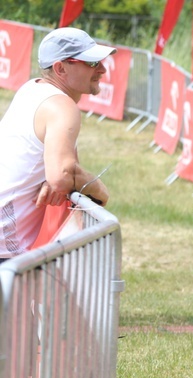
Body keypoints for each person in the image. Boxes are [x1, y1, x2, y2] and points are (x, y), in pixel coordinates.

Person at [0, 27, 112, 262]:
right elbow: (62, 175)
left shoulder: (33, 88)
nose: (102, 69)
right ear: (61, 68)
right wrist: (99, 189)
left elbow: (59, 170)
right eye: (91, 63)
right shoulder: (62, 106)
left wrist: (58, 175)